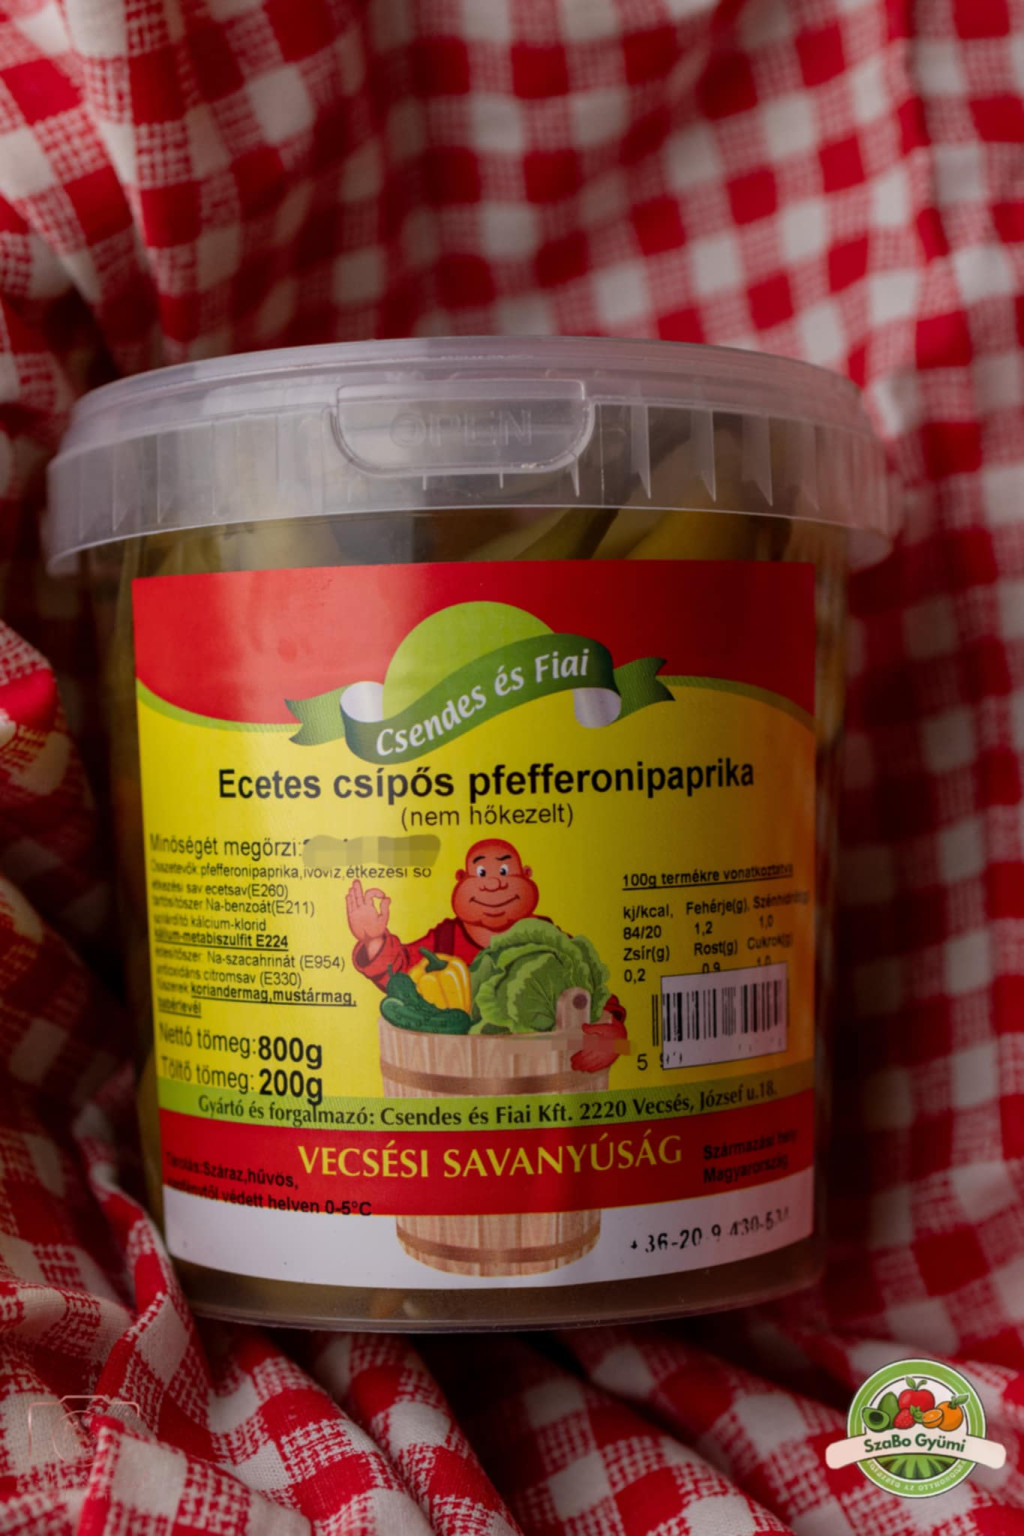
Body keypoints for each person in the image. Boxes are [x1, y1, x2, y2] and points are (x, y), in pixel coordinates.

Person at [345, 838, 626, 1070]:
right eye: (480, 873)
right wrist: (373, 939)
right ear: (461, 880)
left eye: (504, 871)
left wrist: (614, 1036)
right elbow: (402, 976)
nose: (493, 885)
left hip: (548, 1077)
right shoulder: (445, 939)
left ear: (526, 876)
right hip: (454, 1070)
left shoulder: (549, 939)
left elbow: (590, 988)